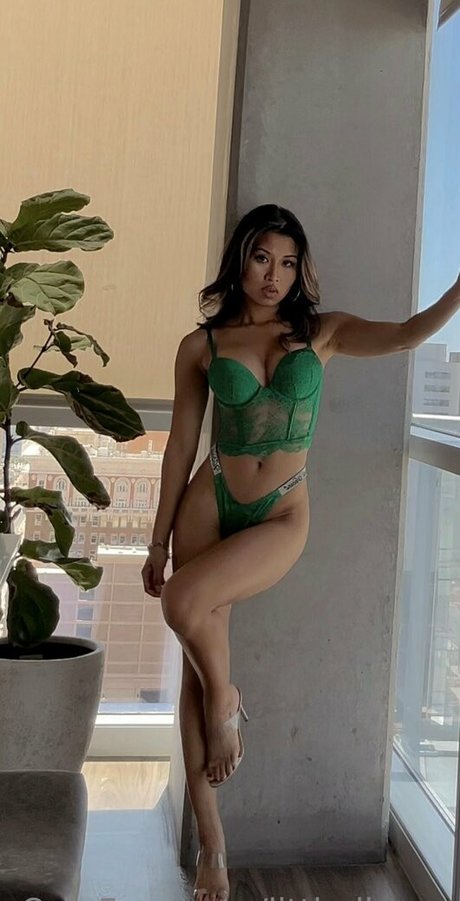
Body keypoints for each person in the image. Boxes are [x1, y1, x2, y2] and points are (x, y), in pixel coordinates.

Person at [141, 202, 418, 900]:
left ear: (301, 272)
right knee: (193, 669)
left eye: (289, 263)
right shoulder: (201, 345)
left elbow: (407, 334)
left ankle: (226, 701)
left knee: (185, 608)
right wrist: (156, 539)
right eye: (263, 257)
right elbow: (181, 447)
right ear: (241, 259)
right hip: (209, 500)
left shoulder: (323, 333)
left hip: (283, 508)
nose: (275, 275)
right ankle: (214, 846)